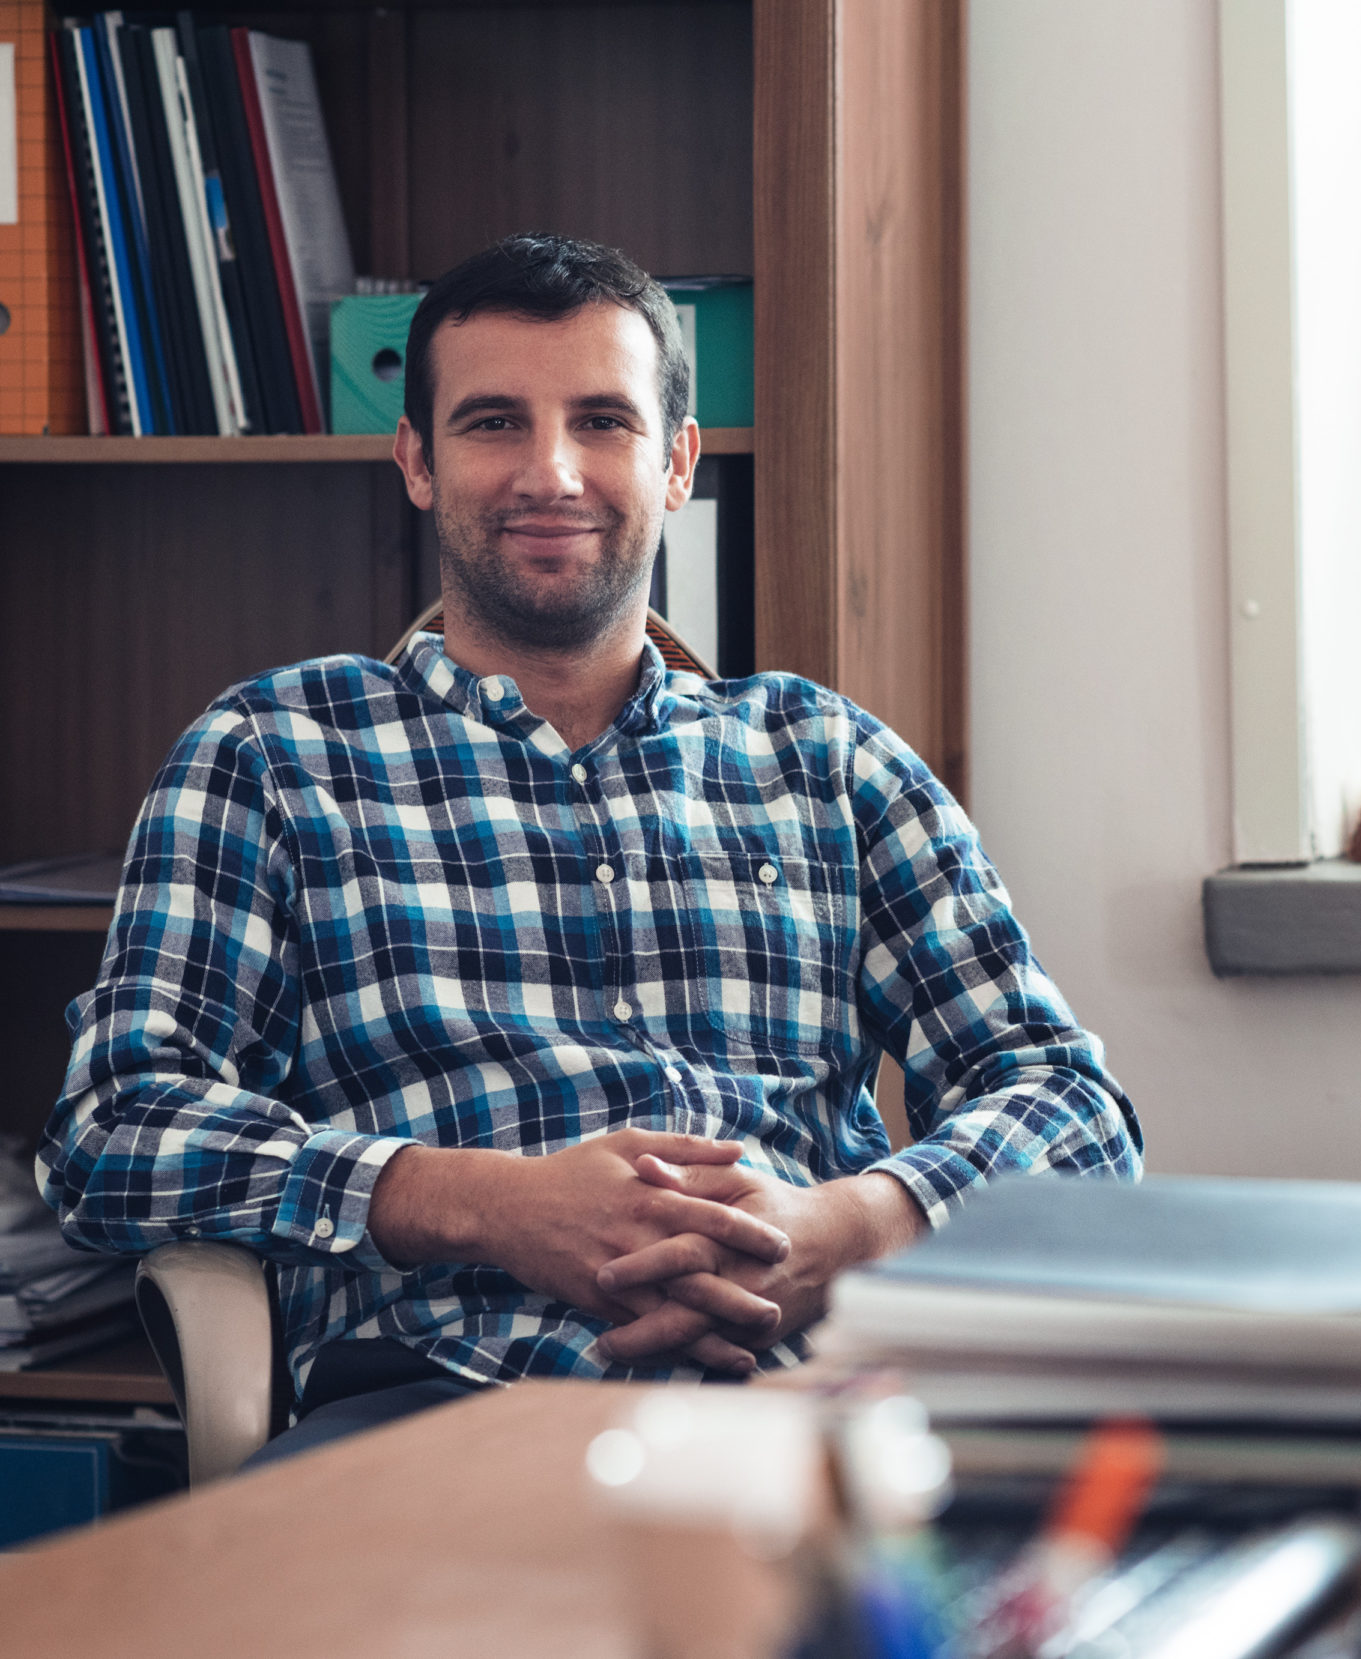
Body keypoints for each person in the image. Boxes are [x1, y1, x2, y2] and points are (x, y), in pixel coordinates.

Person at [37, 233, 1140, 1461]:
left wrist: (845, 1227)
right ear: (416, 460)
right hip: (444, 1410)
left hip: (827, 1407)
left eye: (603, 422)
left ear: (676, 464)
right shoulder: (275, 754)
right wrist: (485, 1207)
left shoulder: (828, 758)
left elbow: (1072, 1106)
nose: (549, 471)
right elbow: (110, 1132)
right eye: (494, 422)